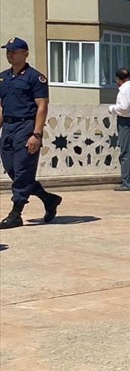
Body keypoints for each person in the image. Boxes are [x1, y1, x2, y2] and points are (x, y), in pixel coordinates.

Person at [0, 37, 62, 229]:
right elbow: (1, 107)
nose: (10, 54)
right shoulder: (3, 77)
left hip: (26, 127)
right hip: (8, 127)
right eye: (8, 51)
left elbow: (42, 106)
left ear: (25, 54)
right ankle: (48, 199)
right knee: (13, 170)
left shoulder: (35, 77)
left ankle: (16, 212)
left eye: (14, 51)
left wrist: (36, 134)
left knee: (23, 169)